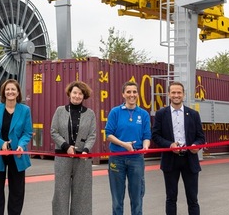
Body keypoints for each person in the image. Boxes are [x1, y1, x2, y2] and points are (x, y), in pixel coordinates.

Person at [152, 81, 206, 215]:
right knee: (171, 198)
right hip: (170, 160)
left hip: (190, 159)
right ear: (169, 95)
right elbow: (155, 135)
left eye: (179, 92)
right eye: (173, 92)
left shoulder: (193, 114)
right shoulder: (161, 114)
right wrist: (169, 145)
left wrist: (196, 146)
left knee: (193, 199)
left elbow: (201, 137)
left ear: (184, 95)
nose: (176, 95)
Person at [0, 79, 33, 215]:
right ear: (3, 92)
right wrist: (1, 144)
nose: (10, 92)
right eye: (7, 89)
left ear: (18, 93)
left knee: (17, 191)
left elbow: (27, 132)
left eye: (13, 89)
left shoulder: (25, 110)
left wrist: (22, 145)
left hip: (17, 154)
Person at [50, 80, 97, 215]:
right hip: (63, 156)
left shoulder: (90, 114)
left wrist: (86, 150)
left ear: (84, 96)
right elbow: (54, 131)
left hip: (82, 158)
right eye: (75, 92)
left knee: (82, 192)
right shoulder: (59, 111)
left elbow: (92, 135)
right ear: (69, 94)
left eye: (80, 94)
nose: (77, 96)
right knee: (61, 191)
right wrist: (65, 146)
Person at [105, 80, 151, 215]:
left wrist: (145, 146)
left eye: (134, 92)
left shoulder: (143, 114)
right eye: (129, 92)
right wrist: (124, 144)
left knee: (137, 197)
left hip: (136, 158)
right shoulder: (115, 112)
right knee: (117, 198)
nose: (132, 95)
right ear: (123, 94)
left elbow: (147, 136)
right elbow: (108, 134)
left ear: (138, 94)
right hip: (117, 159)